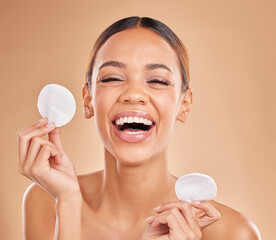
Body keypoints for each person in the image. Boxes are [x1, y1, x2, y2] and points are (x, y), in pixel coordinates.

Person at [16, 16, 261, 240]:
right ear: (88, 99)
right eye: (112, 78)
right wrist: (68, 202)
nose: (133, 95)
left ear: (184, 105)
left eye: (157, 80)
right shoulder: (47, 201)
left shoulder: (232, 232)